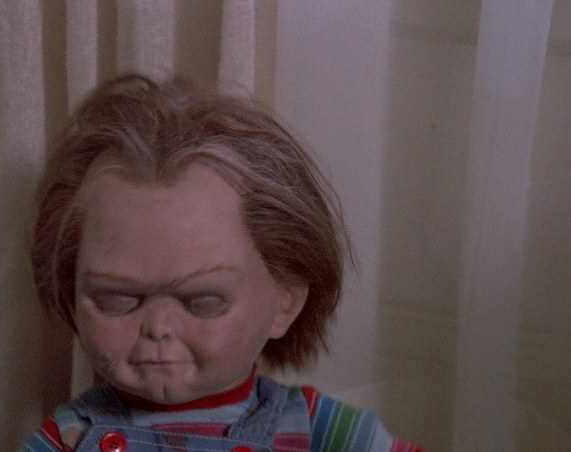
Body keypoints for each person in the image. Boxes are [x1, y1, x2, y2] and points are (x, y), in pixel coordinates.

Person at [21, 74, 421, 451]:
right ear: (70, 291)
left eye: (203, 302)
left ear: (285, 302)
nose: (158, 328)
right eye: (117, 299)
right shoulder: (72, 434)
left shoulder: (319, 427)